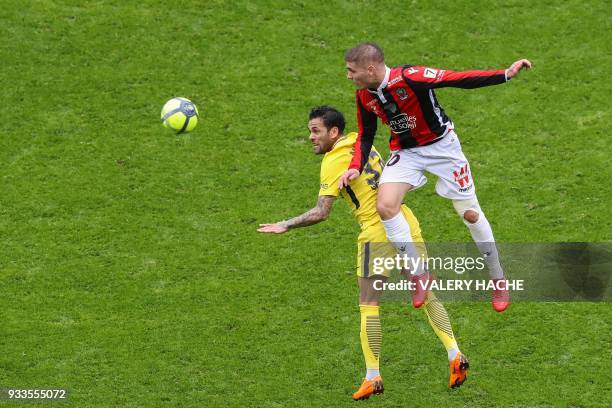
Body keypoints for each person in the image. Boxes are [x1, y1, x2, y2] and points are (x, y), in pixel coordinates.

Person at [258, 106, 469, 400]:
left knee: (369, 305)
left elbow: (321, 212)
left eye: (316, 131)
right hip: (404, 221)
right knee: (423, 288)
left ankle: (373, 376)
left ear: (334, 132)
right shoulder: (361, 142)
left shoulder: (334, 161)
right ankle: (455, 354)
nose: (310, 137)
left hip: (377, 231)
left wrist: (285, 224)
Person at [338, 42, 532, 312]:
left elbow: (456, 79)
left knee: (470, 215)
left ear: (370, 68)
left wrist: (504, 74)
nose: (348, 76)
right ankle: (420, 275)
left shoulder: (411, 77)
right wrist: (355, 166)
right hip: (406, 153)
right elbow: (365, 135)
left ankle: (497, 277)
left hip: (443, 149)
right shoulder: (364, 96)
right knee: (385, 206)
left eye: (351, 70)